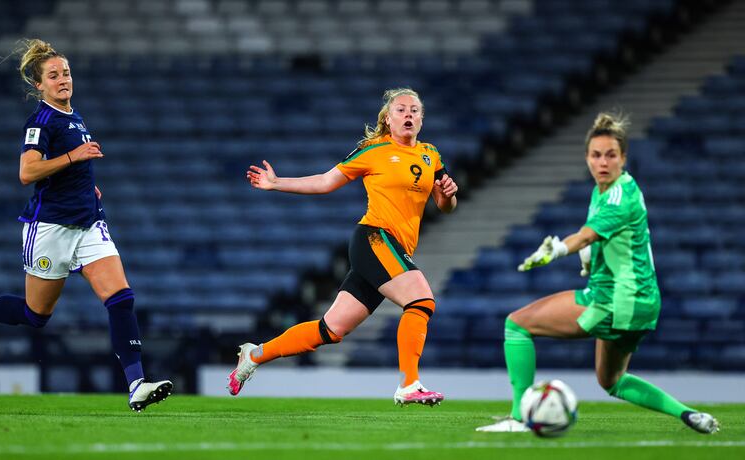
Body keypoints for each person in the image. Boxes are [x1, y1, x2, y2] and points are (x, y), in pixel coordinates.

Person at [0, 39, 171, 411]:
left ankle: (136, 385)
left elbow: (72, 170)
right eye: (54, 75)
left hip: (87, 225)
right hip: (50, 228)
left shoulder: (74, 115)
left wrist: (88, 187)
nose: (63, 79)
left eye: (65, 72)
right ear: (39, 84)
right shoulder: (41, 121)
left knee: (121, 299)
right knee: (36, 316)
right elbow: (27, 171)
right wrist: (73, 156)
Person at [475, 112, 719, 433]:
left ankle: (520, 418)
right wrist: (591, 259)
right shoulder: (607, 191)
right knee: (612, 381)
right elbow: (605, 238)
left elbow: (587, 235)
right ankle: (688, 414)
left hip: (616, 300)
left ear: (624, 159)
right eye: (596, 155)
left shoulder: (619, 194)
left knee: (516, 325)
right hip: (640, 303)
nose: (602, 162)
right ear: (587, 158)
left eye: (610, 155)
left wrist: (559, 249)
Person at [229, 88, 459, 405]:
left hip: (392, 248)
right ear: (388, 119)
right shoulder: (373, 150)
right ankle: (409, 384)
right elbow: (326, 182)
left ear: (421, 119)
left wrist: (448, 193)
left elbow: (446, 206)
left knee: (331, 329)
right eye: (401, 110)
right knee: (421, 300)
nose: (408, 114)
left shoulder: (431, 155)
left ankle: (254, 355)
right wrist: (276, 183)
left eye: (415, 110)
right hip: (374, 237)